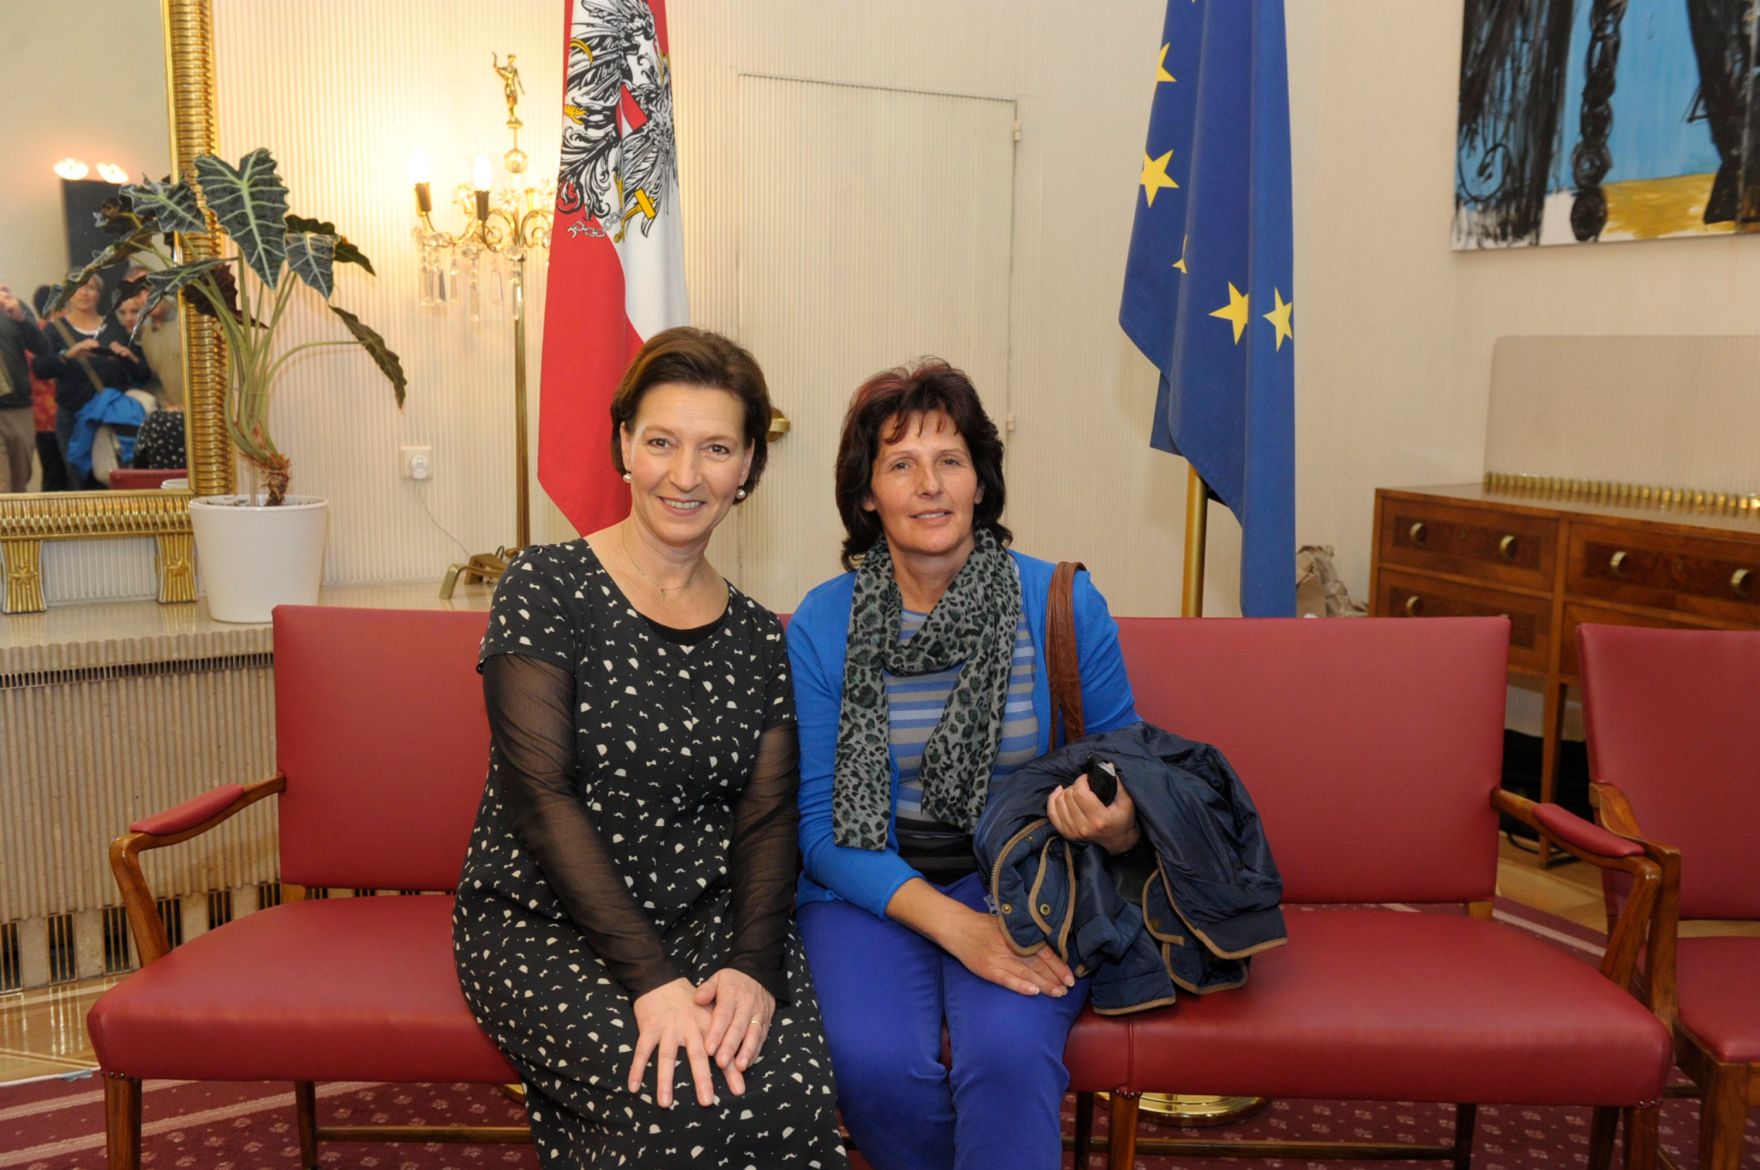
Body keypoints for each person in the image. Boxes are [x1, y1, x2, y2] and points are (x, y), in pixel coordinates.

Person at [452, 326, 847, 1169]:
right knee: (672, 1100)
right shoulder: (547, 586)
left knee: (787, 1090)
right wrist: (653, 983)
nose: (685, 473)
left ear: (747, 471)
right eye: (661, 441)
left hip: (707, 922)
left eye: (715, 449)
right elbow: (540, 796)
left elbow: (769, 817)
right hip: (547, 922)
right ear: (623, 444)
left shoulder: (755, 635)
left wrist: (749, 965)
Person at [787, 359, 1141, 1170]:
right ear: (867, 494)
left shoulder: (1059, 602)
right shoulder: (822, 622)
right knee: (873, 1062)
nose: (930, 485)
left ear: (982, 481)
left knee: (1009, 1056)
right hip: (864, 884)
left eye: (951, 460)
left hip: (1026, 874)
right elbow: (816, 826)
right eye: (901, 464)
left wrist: (1115, 817)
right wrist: (960, 929)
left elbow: (1123, 764)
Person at [33, 274, 151, 488]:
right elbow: (40, 368)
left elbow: (142, 373)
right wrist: (68, 355)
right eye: (78, 287)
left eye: (91, 287)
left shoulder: (115, 325)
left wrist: (127, 356)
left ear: (99, 293)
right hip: (74, 417)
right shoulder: (55, 329)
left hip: (115, 416)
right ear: (68, 293)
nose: (84, 292)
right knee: (80, 482)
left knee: (118, 479)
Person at [0, 283, 52, 492]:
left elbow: (42, 347)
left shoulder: (12, 306)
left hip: (18, 409)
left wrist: (21, 319)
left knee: (19, 485)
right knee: (2, 486)